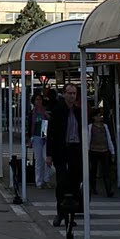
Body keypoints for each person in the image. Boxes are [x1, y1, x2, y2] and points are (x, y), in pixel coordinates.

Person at [45, 83, 84, 227]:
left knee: (75, 182)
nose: (72, 96)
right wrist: (49, 155)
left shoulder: (79, 111)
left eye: (74, 93)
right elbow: (52, 134)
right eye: (70, 93)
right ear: (64, 94)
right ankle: (60, 212)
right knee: (62, 182)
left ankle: (70, 213)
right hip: (62, 150)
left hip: (75, 149)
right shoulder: (58, 110)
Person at [88, 108, 115, 197]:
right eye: (98, 116)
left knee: (106, 171)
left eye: (100, 115)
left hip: (104, 150)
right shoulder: (90, 127)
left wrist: (112, 151)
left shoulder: (105, 126)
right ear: (93, 117)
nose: (100, 117)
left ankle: (109, 189)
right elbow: (88, 139)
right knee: (93, 170)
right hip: (93, 150)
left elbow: (108, 139)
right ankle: (93, 187)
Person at [29, 91, 51, 189]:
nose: (39, 101)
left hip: (45, 136)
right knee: (38, 160)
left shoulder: (45, 112)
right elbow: (29, 126)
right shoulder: (32, 113)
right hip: (36, 137)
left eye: (40, 99)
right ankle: (39, 181)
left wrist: (48, 116)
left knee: (47, 159)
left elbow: (50, 122)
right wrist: (29, 137)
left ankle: (46, 179)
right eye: (37, 100)